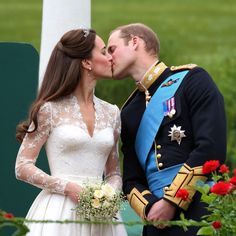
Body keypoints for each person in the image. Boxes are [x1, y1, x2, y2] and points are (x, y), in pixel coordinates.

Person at [107, 23, 226, 235]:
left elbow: (211, 148)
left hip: (201, 212)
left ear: (135, 42)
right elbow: (131, 180)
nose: (108, 57)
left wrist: (171, 201)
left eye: (112, 49)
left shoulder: (192, 80)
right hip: (157, 223)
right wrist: (151, 207)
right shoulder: (128, 111)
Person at [15, 29, 127, 236]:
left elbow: (113, 172)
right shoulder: (49, 110)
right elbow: (22, 166)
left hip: (103, 217)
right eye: (103, 52)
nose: (110, 57)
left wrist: (110, 194)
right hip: (59, 212)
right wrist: (68, 188)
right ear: (86, 62)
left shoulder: (112, 112)